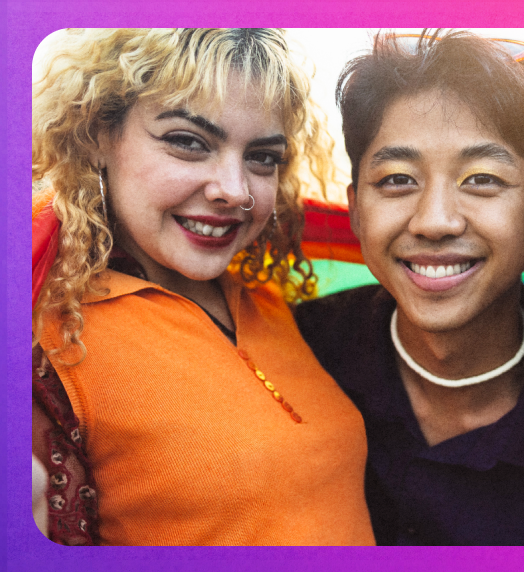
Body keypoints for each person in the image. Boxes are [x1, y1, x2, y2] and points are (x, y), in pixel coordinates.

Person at [31, 28, 374, 546]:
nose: (234, 191)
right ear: (97, 136)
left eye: (262, 157)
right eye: (188, 143)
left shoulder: (270, 302)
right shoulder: (45, 344)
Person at [293, 30, 524, 546]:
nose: (435, 221)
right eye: (397, 180)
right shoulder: (293, 355)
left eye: (482, 179)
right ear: (356, 209)